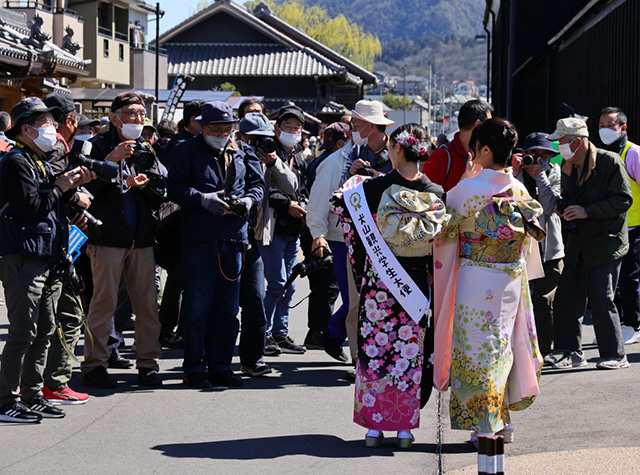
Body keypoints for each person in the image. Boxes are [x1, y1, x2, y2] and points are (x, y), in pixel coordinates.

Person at [332, 123, 447, 449]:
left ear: (396, 149)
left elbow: (345, 215)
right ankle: (405, 430)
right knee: (408, 357)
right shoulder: (436, 192)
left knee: (376, 353)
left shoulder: (373, 189)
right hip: (415, 286)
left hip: (380, 287)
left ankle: (373, 429)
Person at [433, 118, 546, 447]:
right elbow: (527, 244)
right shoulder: (519, 190)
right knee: (501, 349)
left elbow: (442, 233)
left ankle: (486, 426)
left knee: (476, 351)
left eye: (473, 149)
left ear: (483, 150)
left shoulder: (464, 191)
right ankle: (502, 420)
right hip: (509, 278)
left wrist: (462, 183)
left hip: (474, 277)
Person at [0, 97, 94, 422]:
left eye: (53, 122)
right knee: (22, 331)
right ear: (25, 129)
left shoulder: (38, 160)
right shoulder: (16, 161)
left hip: (47, 255)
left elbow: (49, 204)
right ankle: (6, 400)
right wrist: (61, 185)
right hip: (24, 256)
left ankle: (32, 394)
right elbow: (30, 208)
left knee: (45, 328)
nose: (52, 128)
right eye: (45, 123)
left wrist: (69, 192)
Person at [168, 101, 264, 388]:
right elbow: (174, 187)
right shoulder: (185, 150)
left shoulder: (244, 152)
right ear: (201, 126)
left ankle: (221, 365)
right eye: (216, 129)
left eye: (227, 129)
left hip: (234, 238)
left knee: (227, 308)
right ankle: (194, 366)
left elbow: (257, 187)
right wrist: (201, 198)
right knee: (198, 306)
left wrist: (247, 201)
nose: (222, 134)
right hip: (199, 238)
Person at [80, 91, 166, 388]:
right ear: (114, 117)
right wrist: (109, 161)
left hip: (141, 238)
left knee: (146, 304)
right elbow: (83, 190)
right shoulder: (96, 145)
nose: (137, 120)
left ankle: (148, 364)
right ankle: (94, 364)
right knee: (103, 303)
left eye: (142, 115)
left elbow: (161, 191)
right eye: (130, 114)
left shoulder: (146, 148)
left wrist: (142, 185)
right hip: (106, 237)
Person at [548, 117, 632, 370]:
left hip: (606, 242)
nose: (558, 147)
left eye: (562, 141)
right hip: (578, 241)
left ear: (577, 141)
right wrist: (565, 209)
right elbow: (566, 196)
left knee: (601, 296)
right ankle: (568, 351)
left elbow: (622, 200)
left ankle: (615, 354)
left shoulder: (609, 161)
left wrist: (587, 211)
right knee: (567, 296)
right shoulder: (567, 164)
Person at [39, 92, 93, 405]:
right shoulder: (58, 147)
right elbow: (54, 187)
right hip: (53, 245)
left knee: (45, 320)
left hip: (47, 240)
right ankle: (53, 383)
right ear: (71, 120)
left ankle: (37, 385)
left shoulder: (41, 148)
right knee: (67, 315)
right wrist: (76, 198)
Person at [257, 105, 309, 355]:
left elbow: (304, 188)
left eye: (296, 127)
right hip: (272, 226)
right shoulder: (266, 152)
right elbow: (264, 189)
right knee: (276, 283)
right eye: (287, 127)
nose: (292, 131)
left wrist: (303, 205)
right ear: (276, 128)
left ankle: (280, 332)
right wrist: (288, 204)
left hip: (293, 229)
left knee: (290, 284)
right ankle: (262, 333)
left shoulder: (299, 155)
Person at [306, 122, 357, 363]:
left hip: (362, 238)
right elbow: (317, 202)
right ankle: (331, 334)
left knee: (357, 298)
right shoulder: (334, 162)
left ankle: (330, 334)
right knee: (354, 299)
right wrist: (318, 234)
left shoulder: (372, 157)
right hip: (338, 238)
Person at [511, 132, 564, 358]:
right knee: (521, 302)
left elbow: (550, 206)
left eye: (545, 156)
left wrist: (540, 176)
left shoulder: (555, 172)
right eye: (534, 156)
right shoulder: (514, 176)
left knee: (544, 301)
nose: (539, 161)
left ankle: (545, 349)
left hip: (549, 248)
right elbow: (513, 202)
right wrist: (515, 173)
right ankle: (523, 350)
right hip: (521, 248)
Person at [598, 107, 640, 344]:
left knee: (628, 278)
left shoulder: (633, 153)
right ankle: (621, 323)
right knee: (612, 280)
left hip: (633, 226)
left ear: (623, 128)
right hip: (611, 227)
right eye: (601, 124)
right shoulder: (602, 154)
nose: (604, 129)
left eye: (609, 125)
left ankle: (633, 324)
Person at [422, 99, 493, 191]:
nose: (491, 129)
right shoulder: (441, 157)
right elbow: (427, 199)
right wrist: (465, 180)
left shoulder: (487, 154)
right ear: (477, 125)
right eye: (489, 124)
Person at [340, 100, 394, 186]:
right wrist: (350, 172)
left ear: (371, 125)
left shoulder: (396, 151)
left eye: (356, 126)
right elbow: (341, 185)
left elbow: (404, 187)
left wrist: (381, 179)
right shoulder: (357, 150)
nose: (353, 131)